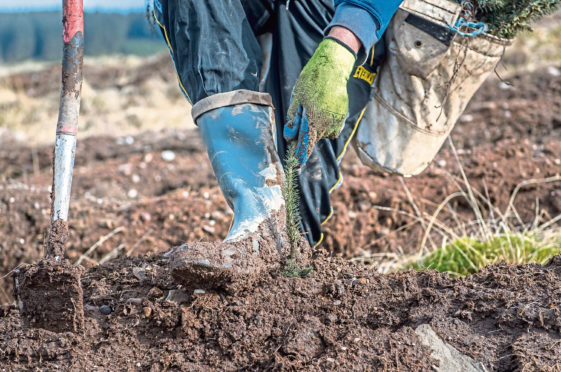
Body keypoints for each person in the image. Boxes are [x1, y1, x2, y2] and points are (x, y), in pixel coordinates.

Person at [152, 0, 402, 291]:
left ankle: (287, 277)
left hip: (338, 8)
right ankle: (259, 223)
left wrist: (343, 43)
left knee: (303, 160)